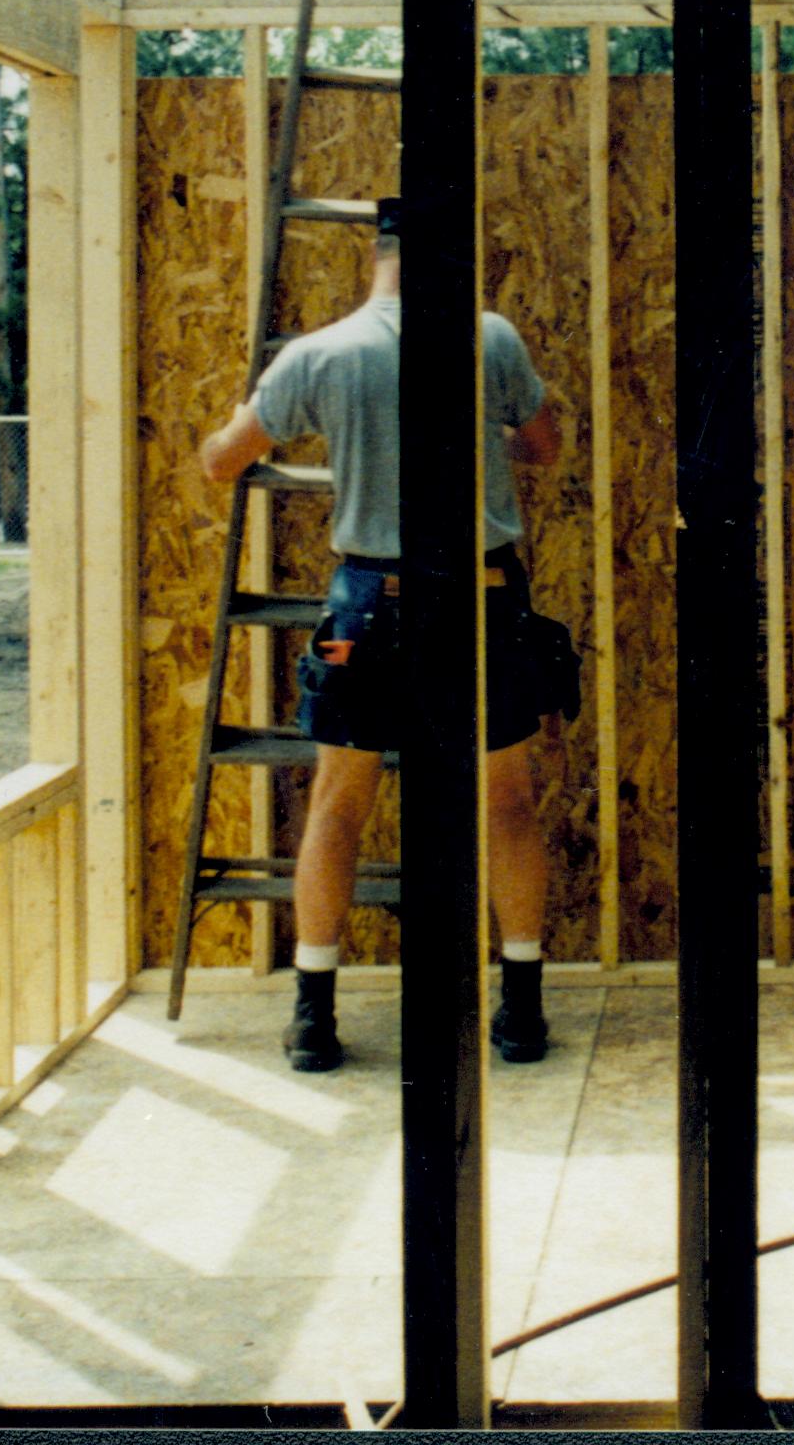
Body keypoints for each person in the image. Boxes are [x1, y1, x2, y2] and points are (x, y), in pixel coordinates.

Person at [198, 196, 569, 1072]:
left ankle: (313, 1018)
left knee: (337, 801)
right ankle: (518, 1013)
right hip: (480, 596)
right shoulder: (491, 339)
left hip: (368, 604)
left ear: (377, 259)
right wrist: (480, 447)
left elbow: (222, 462)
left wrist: (317, 429)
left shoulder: (318, 353)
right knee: (506, 799)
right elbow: (546, 444)